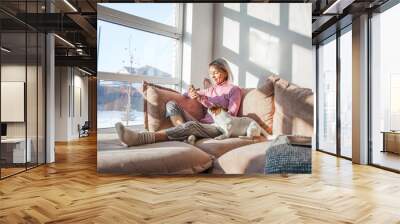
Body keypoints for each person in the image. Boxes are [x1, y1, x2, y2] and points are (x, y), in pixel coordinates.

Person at [115, 58, 242, 146]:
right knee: (171, 104)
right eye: (210, 74)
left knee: (191, 125)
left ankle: (141, 138)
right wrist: (192, 92)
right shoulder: (210, 90)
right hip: (202, 124)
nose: (213, 76)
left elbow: (230, 116)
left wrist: (202, 100)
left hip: (218, 127)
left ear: (225, 72)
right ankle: (185, 135)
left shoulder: (234, 90)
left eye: (215, 72)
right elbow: (186, 95)